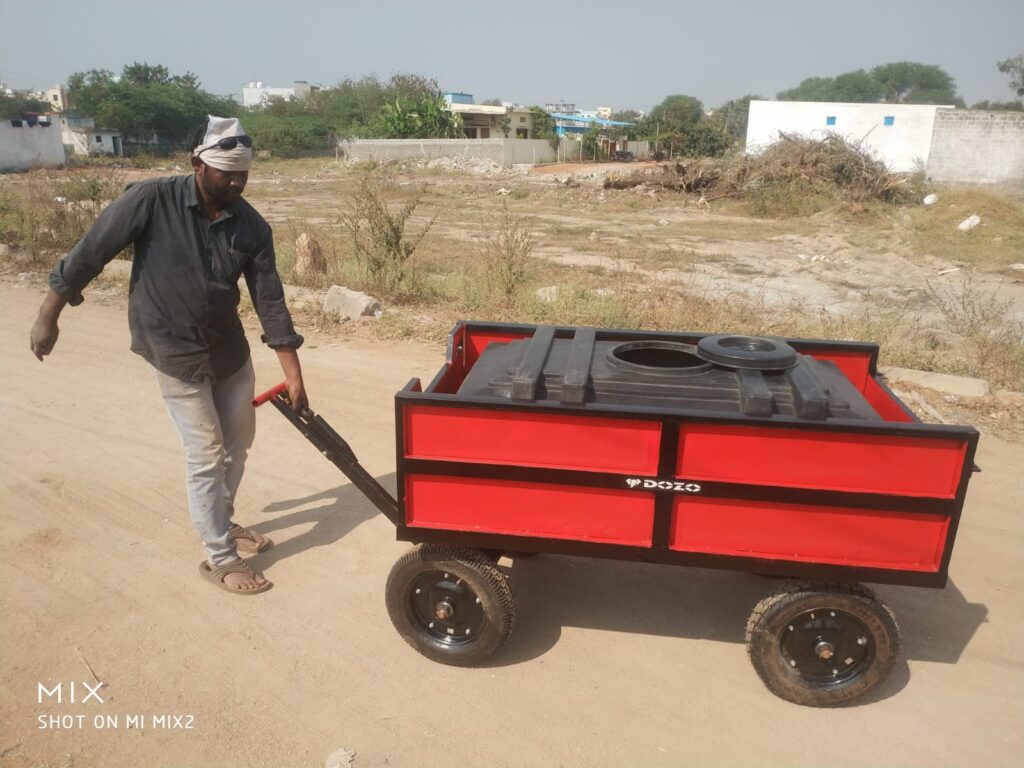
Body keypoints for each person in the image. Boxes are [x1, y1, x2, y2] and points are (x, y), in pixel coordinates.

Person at [29, 115, 306, 596]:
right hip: (172, 349)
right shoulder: (150, 200)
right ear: (198, 164)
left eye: (243, 173)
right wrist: (49, 313)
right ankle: (219, 557)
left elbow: (270, 299)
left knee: (238, 443)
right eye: (227, 173)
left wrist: (293, 372)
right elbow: (90, 252)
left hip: (228, 349)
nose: (237, 182)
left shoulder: (251, 225)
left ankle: (221, 517)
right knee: (205, 453)